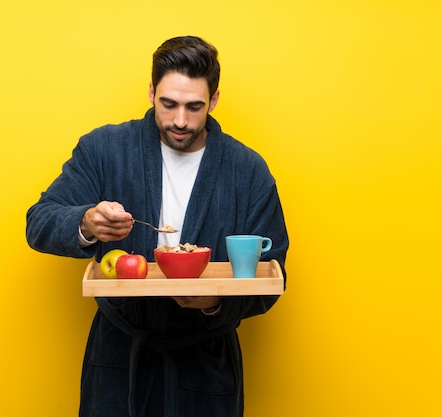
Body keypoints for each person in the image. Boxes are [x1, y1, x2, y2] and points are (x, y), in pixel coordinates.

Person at [26, 35, 289, 417]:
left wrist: (215, 303)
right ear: (151, 92)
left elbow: (272, 273)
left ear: (214, 100)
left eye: (194, 106)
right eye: (168, 104)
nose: (180, 120)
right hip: (120, 354)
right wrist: (85, 222)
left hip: (206, 358)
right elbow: (39, 222)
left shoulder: (247, 170)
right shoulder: (104, 149)